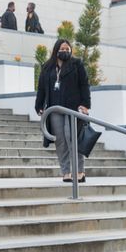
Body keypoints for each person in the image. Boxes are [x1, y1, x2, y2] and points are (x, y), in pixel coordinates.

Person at [35, 39, 91, 183]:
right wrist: (39, 105)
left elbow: (84, 84)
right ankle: (66, 172)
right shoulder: (47, 67)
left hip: (73, 108)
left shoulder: (76, 64)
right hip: (55, 108)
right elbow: (41, 88)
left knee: (72, 137)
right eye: (62, 49)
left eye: (68, 49)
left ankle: (79, 171)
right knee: (60, 140)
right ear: (56, 50)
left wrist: (85, 104)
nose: (65, 51)